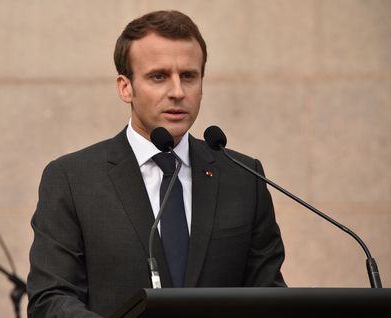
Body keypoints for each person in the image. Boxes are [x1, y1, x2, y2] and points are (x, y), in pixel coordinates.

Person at [27, 10, 285, 318]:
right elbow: (51, 298)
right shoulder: (72, 179)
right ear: (126, 87)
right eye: (158, 76)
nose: (177, 92)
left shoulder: (243, 177)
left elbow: (268, 293)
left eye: (189, 76)